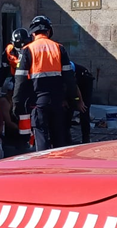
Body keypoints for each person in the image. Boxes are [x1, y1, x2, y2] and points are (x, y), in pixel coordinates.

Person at [12, 15, 78, 152]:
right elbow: (70, 79)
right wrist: (74, 99)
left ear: (33, 33)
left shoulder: (27, 50)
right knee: (59, 138)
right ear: (48, 31)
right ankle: (60, 168)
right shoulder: (59, 48)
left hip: (37, 103)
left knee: (41, 138)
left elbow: (20, 81)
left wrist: (16, 103)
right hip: (58, 102)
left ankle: (43, 169)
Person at [71, 63, 95, 144]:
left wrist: (79, 102)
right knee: (67, 108)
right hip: (72, 82)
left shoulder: (66, 67)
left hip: (84, 79)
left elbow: (74, 87)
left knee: (84, 108)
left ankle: (86, 138)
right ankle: (66, 137)